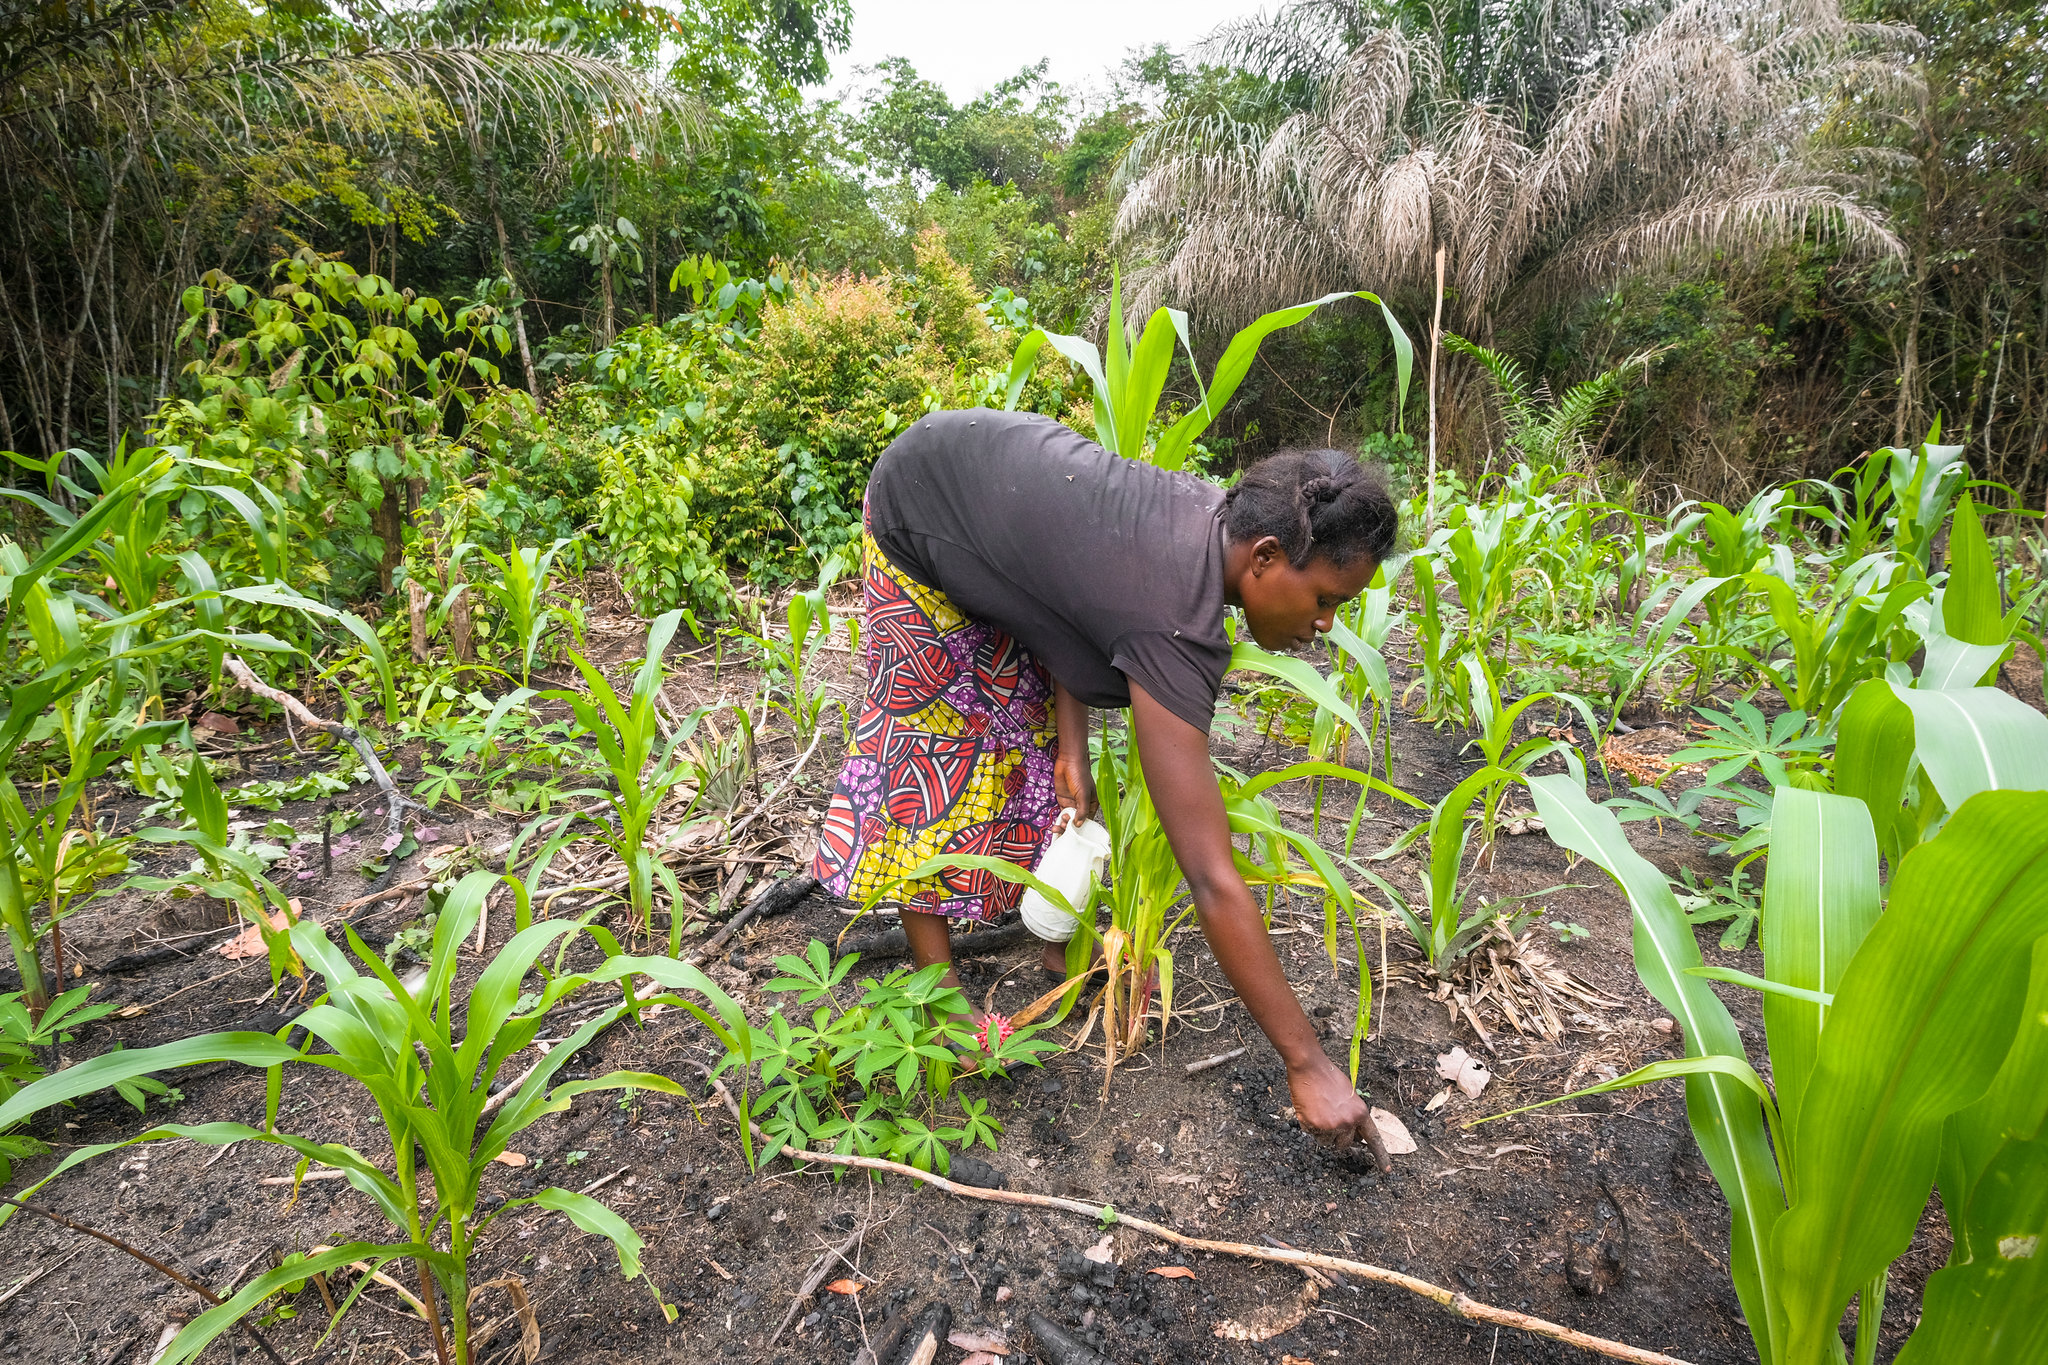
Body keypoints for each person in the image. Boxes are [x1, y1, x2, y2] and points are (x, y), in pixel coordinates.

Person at [811, 407, 1397, 1151]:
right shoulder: (1171, 615)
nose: (1327, 625)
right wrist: (1307, 1062)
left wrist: (1073, 741)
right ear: (1265, 556)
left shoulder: (1209, 526)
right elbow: (1210, 874)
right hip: (923, 502)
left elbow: (1068, 586)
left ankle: (1057, 943)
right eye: (1325, 600)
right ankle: (939, 997)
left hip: (993, 493)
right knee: (935, 748)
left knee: (1026, 746)